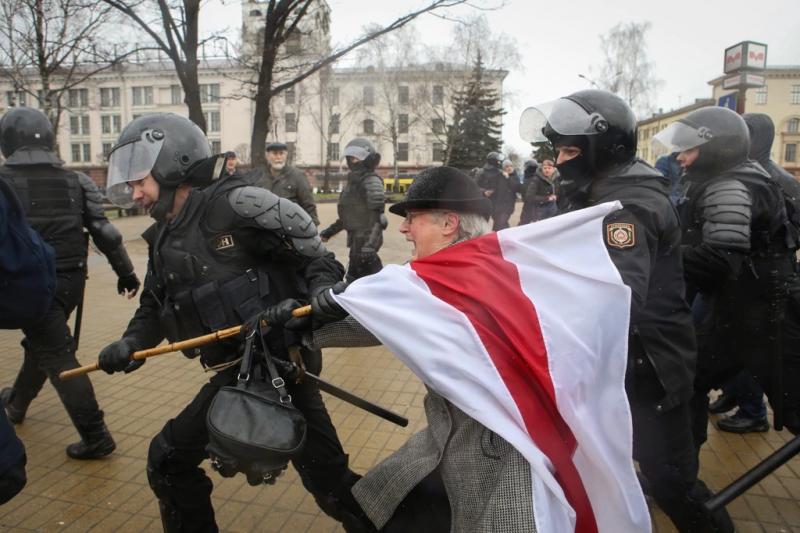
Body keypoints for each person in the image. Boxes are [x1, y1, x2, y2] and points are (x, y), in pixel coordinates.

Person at [96, 113, 365, 532]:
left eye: (140, 182)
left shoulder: (237, 207)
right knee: (171, 461)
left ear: (171, 166)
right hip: (237, 372)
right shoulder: (164, 235)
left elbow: (317, 260)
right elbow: (154, 303)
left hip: (279, 367)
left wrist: (320, 295)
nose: (135, 195)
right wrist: (130, 342)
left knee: (331, 484)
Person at [520, 89, 734, 532]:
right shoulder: (599, 191)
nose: (559, 161)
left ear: (604, 147)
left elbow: (617, 296)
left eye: (569, 151)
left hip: (650, 363)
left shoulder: (627, 206)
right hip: (626, 360)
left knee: (672, 482)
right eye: (558, 151)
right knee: (629, 468)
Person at [0, 107, 140, 460]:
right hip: (69, 283)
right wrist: (125, 273)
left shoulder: (2, 182)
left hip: (23, 285)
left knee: (56, 354)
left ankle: (96, 436)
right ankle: (16, 403)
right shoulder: (76, 181)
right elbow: (105, 232)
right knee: (45, 344)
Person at [653, 107, 800, 441]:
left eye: (689, 149)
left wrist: (657, 253)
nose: (680, 157)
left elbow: (719, 258)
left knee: (793, 408)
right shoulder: (730, 178)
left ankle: (681, 470)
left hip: (761, 313)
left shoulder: (729, 186)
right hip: (743, 307)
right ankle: (680, 468)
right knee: (686, 381)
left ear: (715, 149)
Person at [0, 179, 57, 504]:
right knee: (54, 355)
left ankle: (17, 403)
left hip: (46, 289)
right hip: (57, 283)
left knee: (51, 355)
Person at [319, 138, 386, 283]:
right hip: (356, 243)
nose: (354, 161)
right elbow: (348, 217)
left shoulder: (371, 181)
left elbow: (379, 219)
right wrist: (328, 233)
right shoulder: (353, 182)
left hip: (366, 244)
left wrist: (370, 246)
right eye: (351, 158)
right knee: (355, 280)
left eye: (357, 158)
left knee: (372, 281)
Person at [247, 141, 319, 225]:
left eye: (281, 153)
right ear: (267, 156)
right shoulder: (258, 176)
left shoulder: (297, 176)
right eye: (275, 154)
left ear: (286, 155)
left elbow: (308, 204)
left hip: (290, 225)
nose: (278, 157)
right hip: (263, 226)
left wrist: (312, 225)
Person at [477, 151, 521, 230]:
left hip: (505, 205)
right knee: (498, 224)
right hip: (494, 204)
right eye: (506, 166)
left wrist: (509, 178)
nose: (509, 168)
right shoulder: (497, 174)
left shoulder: (508, 175)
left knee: (500, 224)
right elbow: (476, 186)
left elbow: (517, 187)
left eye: (511, 166)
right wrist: (485, 192)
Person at [519, 158, 560, 224]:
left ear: (553, 169)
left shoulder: (556, 179)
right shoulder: (536, 179)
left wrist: (556, 196)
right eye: (545, 168)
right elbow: (529, 196)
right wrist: (547, 198)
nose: (547, 170)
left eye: (549, 168)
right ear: (541, 168)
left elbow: (559, 191)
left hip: (553, 208)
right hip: (540, 209)